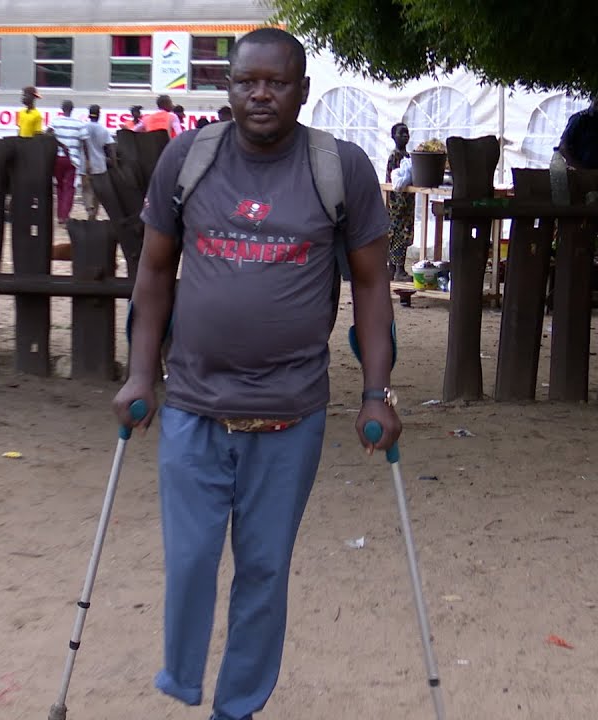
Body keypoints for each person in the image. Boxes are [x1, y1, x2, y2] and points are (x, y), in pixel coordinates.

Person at [112, 26, 400, 720]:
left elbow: (370, 285)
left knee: (264, 572)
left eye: (277, 82)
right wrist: (139, 376)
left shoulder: (340, 168)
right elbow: (154, 270)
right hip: (192, 404)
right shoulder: (190, 158)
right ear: (229, 88)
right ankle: (182, 677)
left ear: (302, 90)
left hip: (290, 412)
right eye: (247, 81)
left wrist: (377, 391)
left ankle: (235, 707)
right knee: (189, 562)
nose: (261, 94)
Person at [557, 91, 598, 250]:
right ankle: (577, 247)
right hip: (577, 174)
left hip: (596, 174)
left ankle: (594, 246)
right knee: (580, 212)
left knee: (596, 211)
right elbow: (563, 147)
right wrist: (578, 168)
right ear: (592, 99)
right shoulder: (580, 119)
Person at [47, 100, 86, 224]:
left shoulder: (55, 122)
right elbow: (84, 142)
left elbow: (47, 134)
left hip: (57, 158)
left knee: (59, 186)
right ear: (72, 109)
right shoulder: (79, 124)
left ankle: (59, 215)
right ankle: (65, 215)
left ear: (62, 109)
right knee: (69, 188)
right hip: (72, 160)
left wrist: (59, 144)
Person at [385, 122, 415, 281]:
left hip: (407, 203)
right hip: (397, 205)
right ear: (393, 136)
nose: (405, 136)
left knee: (403, 235)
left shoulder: (409, 156)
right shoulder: (394, 156)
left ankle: (393, 269)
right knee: (398, 235)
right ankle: (398, 270)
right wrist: (397, 202)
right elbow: (393, 180)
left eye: (407, 133)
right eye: (401, 133)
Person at [80, 103, 116, 220]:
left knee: (86, 190)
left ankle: (89, 209)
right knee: (97, 193)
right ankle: (93, 214)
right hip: (100, 166)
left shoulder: (83, 127)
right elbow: (110, 147)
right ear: (99, 114)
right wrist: (113, 162)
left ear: (89, 114)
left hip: (85, 165)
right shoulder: (103, 130)